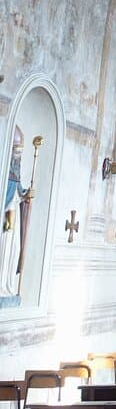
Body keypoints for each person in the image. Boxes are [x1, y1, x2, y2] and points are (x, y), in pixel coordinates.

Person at [0, 126, 27, 298]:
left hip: (14, 222)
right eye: (17, 149)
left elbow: (19, 191)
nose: (19, 154)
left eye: (21, 150)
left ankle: (8, 285)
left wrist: (26, 194)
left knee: (14, 250)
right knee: (4, 250)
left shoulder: (16, 174)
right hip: (5, 221)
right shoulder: (4, 173)